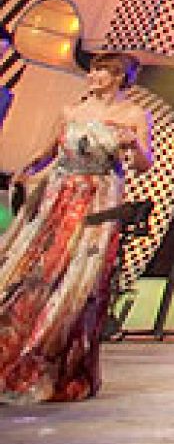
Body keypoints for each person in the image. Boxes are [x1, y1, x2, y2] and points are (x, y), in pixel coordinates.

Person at [0, 53, 152, 402]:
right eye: (94, 70)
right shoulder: (71, 111)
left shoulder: (132, 115)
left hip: (98, 200)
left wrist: (134, 145)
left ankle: (59, 362)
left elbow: (144, 165)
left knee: (79, 278)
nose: (94, 76)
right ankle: (16, 352)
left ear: (119, 77)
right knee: (36, 270)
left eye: (103, 71)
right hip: (59, 195)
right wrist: (26, 172)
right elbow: (49, 152)